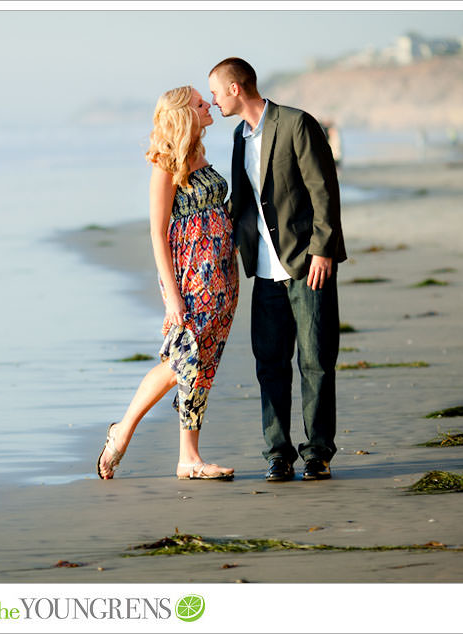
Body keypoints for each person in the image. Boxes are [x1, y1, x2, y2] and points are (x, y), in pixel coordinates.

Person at [208, 57, 346, 482]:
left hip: (307, 266)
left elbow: (323, 188)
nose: (212, 101)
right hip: (264, 273)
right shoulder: (237, 138)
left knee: (316, 361)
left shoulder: (296, 124)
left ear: (235, 88)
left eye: (214, 92)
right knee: (269, 363)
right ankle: (278, 454)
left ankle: (318, 453)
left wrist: (323, 250)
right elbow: (244, 202)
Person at [97, 85, 239, 481]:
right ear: (183, 114)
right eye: (199, 102)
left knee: (200, 364)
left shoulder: (202, 154)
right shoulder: (164, 163)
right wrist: (172, 296)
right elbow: (157, 233)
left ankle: (182, 455)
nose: (208, 104)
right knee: (185, 362)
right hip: (189, 279)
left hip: (222, 276)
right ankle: (137, 438)